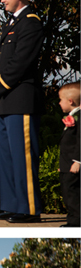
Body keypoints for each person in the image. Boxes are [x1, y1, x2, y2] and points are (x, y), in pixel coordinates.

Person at [0, 0, 45, 223]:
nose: (1, 0)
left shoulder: (31, 23)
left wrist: (0, 85)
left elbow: (21, 61)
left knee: (23, 156)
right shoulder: (11, 24)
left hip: (18, 99)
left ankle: (29, 209)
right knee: (7, 156)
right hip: (2, 100)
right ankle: (11, 205)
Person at [58, 81, 79, 228]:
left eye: (61, 100)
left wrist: (78, 161)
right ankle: (72, 219)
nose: (59, 103)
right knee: (67, 192)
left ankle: (76, 222)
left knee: (72, 194)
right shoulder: (73, 116)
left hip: (74, 165)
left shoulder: (79, 118)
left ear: (70, 101)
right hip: (67, 165)